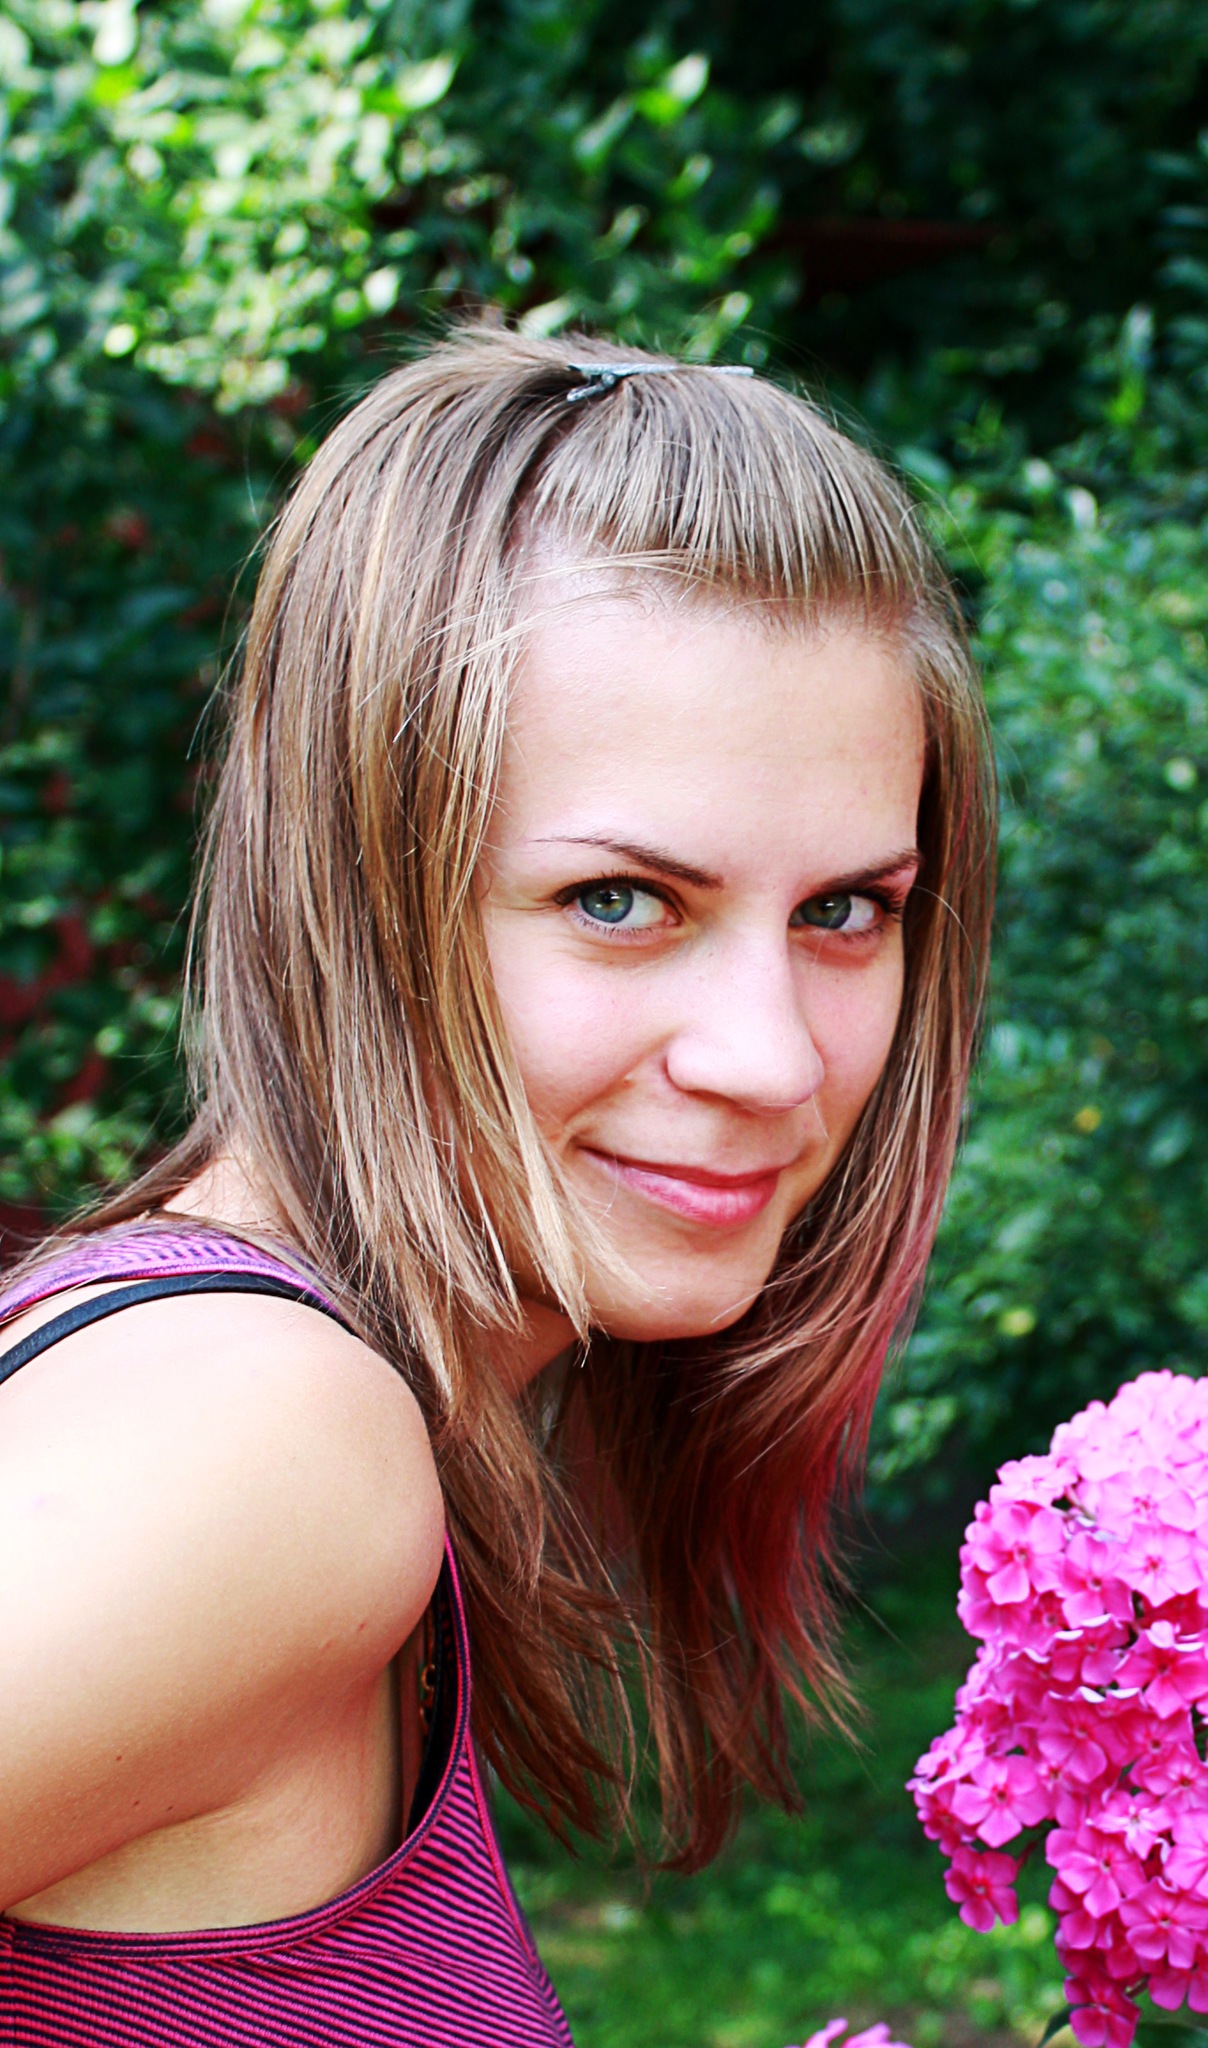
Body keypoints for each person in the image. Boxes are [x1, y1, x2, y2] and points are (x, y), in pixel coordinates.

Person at [0, 331, 996, 2044]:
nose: (771, 1059)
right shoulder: (258, 1439)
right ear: (363, 889)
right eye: (621, 901)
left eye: (845, 911)